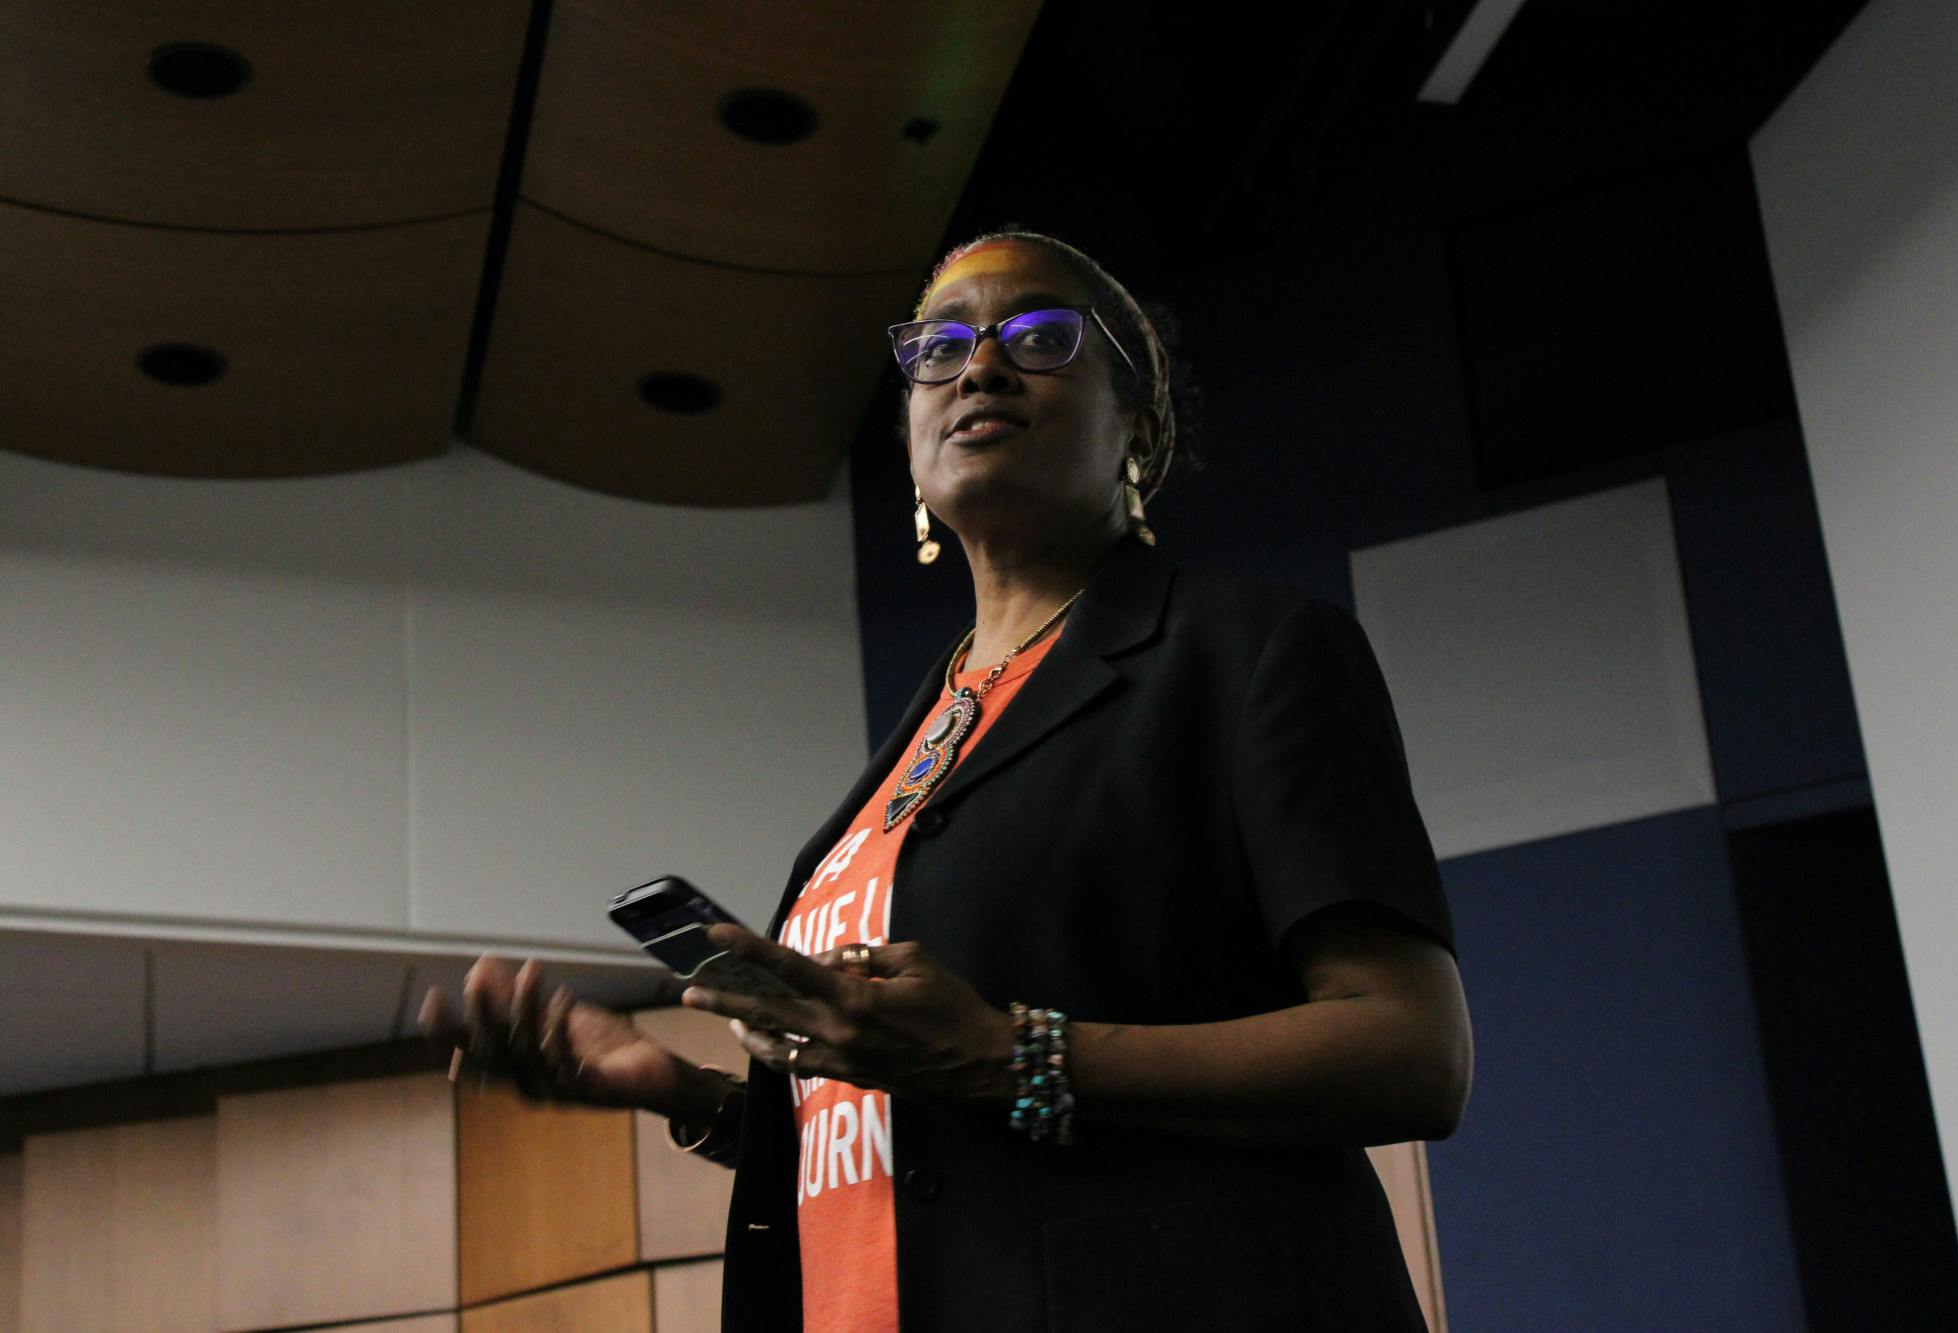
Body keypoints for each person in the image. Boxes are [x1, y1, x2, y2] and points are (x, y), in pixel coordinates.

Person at [420, 226, 1473, 1331]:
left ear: (1136, 423)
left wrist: (1012, 1052)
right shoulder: (905, 756)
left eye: (1038, 336)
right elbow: (935, 1143)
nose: (977, 365)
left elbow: (1409, 1051)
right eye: (938, 346)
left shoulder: (1243, 653)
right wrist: (695, 1099)